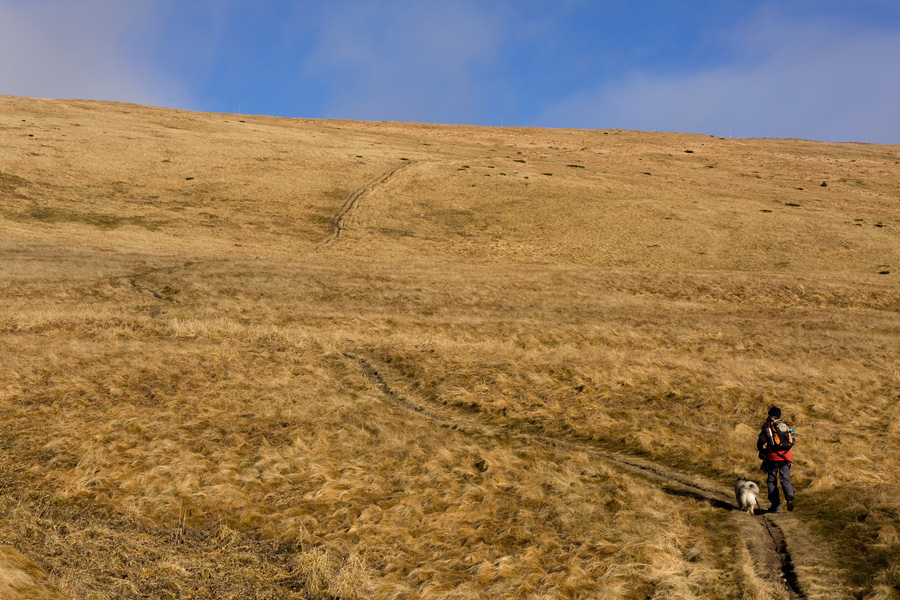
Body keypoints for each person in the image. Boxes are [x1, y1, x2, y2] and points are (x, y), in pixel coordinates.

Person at [757, 405, 795, 512]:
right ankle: (789, 495)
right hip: (786, 457)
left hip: (772, 458)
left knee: (771, 480)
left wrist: (762, 451)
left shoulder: (768, 426)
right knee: (785, 479)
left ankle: (775, 505)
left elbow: (760, 441)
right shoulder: (786, 426)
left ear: (770, 414)